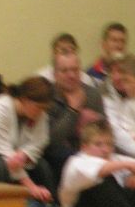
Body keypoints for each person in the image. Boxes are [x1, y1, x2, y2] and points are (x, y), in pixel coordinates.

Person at [0, 76, 55, 203]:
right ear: (25, 99)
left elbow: (40, 141)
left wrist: (24, 154)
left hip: (13, 157)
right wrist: (31, 187)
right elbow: (4, 156)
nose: (41, 113)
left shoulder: (38, 113)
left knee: (42, 167)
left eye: (45, 109)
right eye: (39, 107)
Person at [44, 51, 106, 182]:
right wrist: (73, 110)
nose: (71, 75)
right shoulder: (47, 96)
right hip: (60, 156)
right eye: (65, 71)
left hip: (92, 152)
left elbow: (104, 132)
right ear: (55, 74)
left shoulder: (93, 95)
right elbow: (51, 139)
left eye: (75, 70)